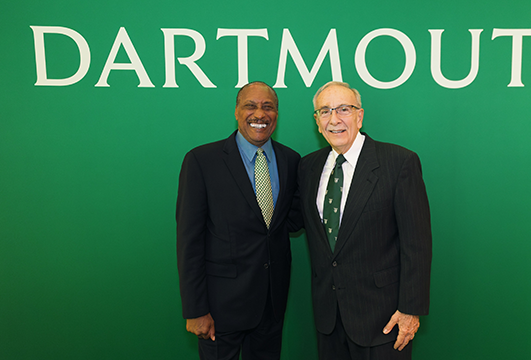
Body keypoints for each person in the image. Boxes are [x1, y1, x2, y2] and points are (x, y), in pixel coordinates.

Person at [298, 81, 432, 359]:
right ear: (316, 121)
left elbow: (417, 244)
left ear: (360, 115)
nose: (334, 119)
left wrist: (410, 310)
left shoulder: (398, 162)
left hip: (384, 321)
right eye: (325, 111)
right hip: (328, 320)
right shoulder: (308, 167)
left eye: (343, 109)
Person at [176, 81, 301, 360]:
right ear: (236, 111)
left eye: (268, 107)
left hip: (271, 305)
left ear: (277, 115)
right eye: (251, 106)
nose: (260, 114)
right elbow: (189, 240)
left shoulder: (291, 161)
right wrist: (196, 309)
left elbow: (290, 221)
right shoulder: (202, 160)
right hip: (220, 310)